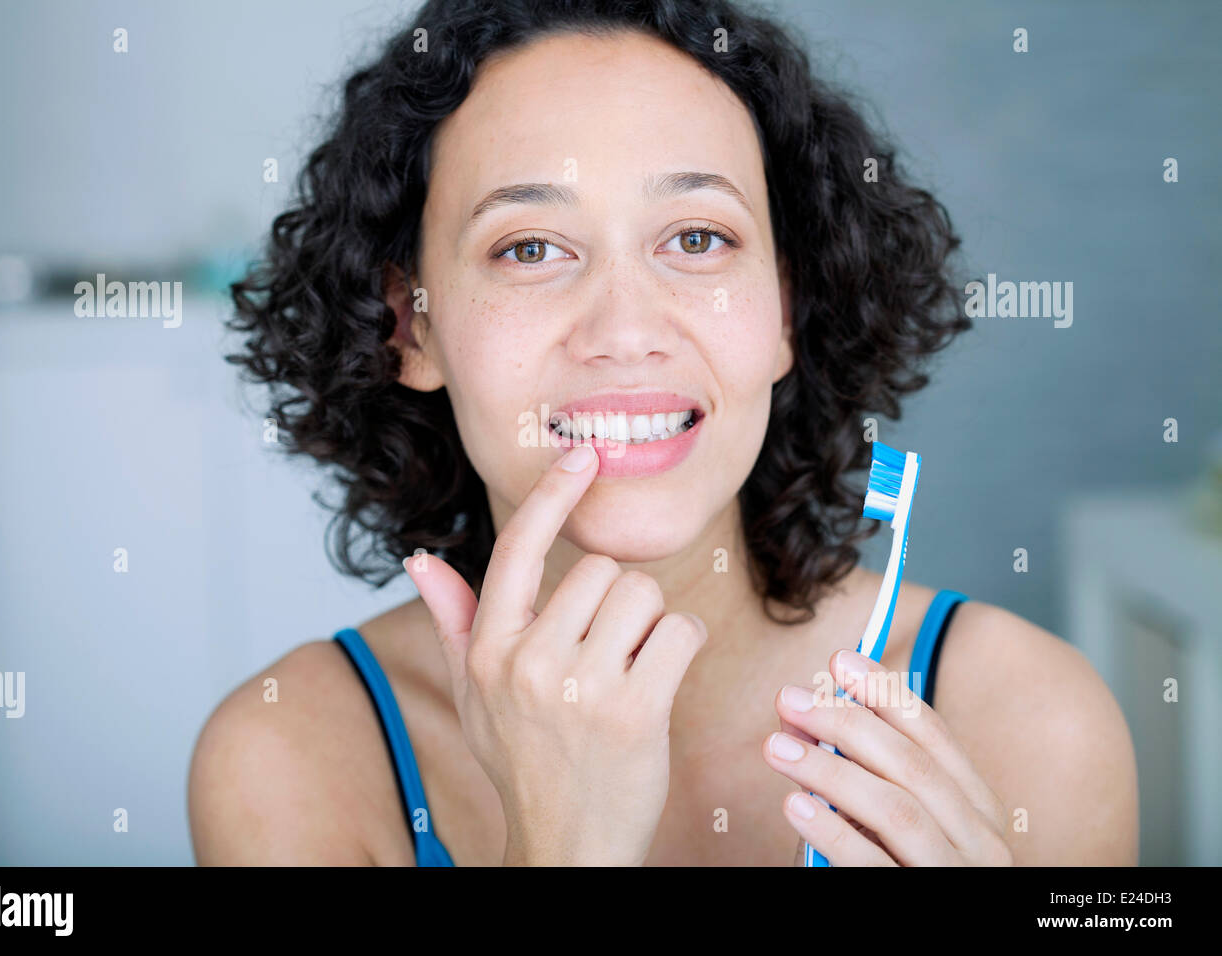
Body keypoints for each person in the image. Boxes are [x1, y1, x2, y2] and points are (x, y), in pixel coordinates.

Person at [188, 0, 1137, 866]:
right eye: (530, 249)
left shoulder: (1032, 722)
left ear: (784, 309)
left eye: (696, 239)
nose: (627, 333)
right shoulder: (289, 759)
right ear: (412, 325)